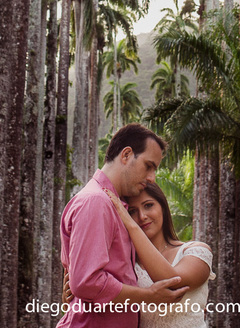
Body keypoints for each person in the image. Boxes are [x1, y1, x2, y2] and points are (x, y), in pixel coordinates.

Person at [57, 123, 189, 327]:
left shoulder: (115, 205)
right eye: (149, 166)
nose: (152, 178)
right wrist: (147, 296)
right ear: (126, 155)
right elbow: (86, 282)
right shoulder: (96, 201)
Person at [104, 181, 215, 328]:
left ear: (163, 207)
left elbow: (171, 282)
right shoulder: (127, 264)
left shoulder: (196, 251)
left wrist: (130, 223)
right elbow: (105, 298)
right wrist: (72, 299)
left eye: (148, 205)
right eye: (132, 211)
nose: (142, 216)